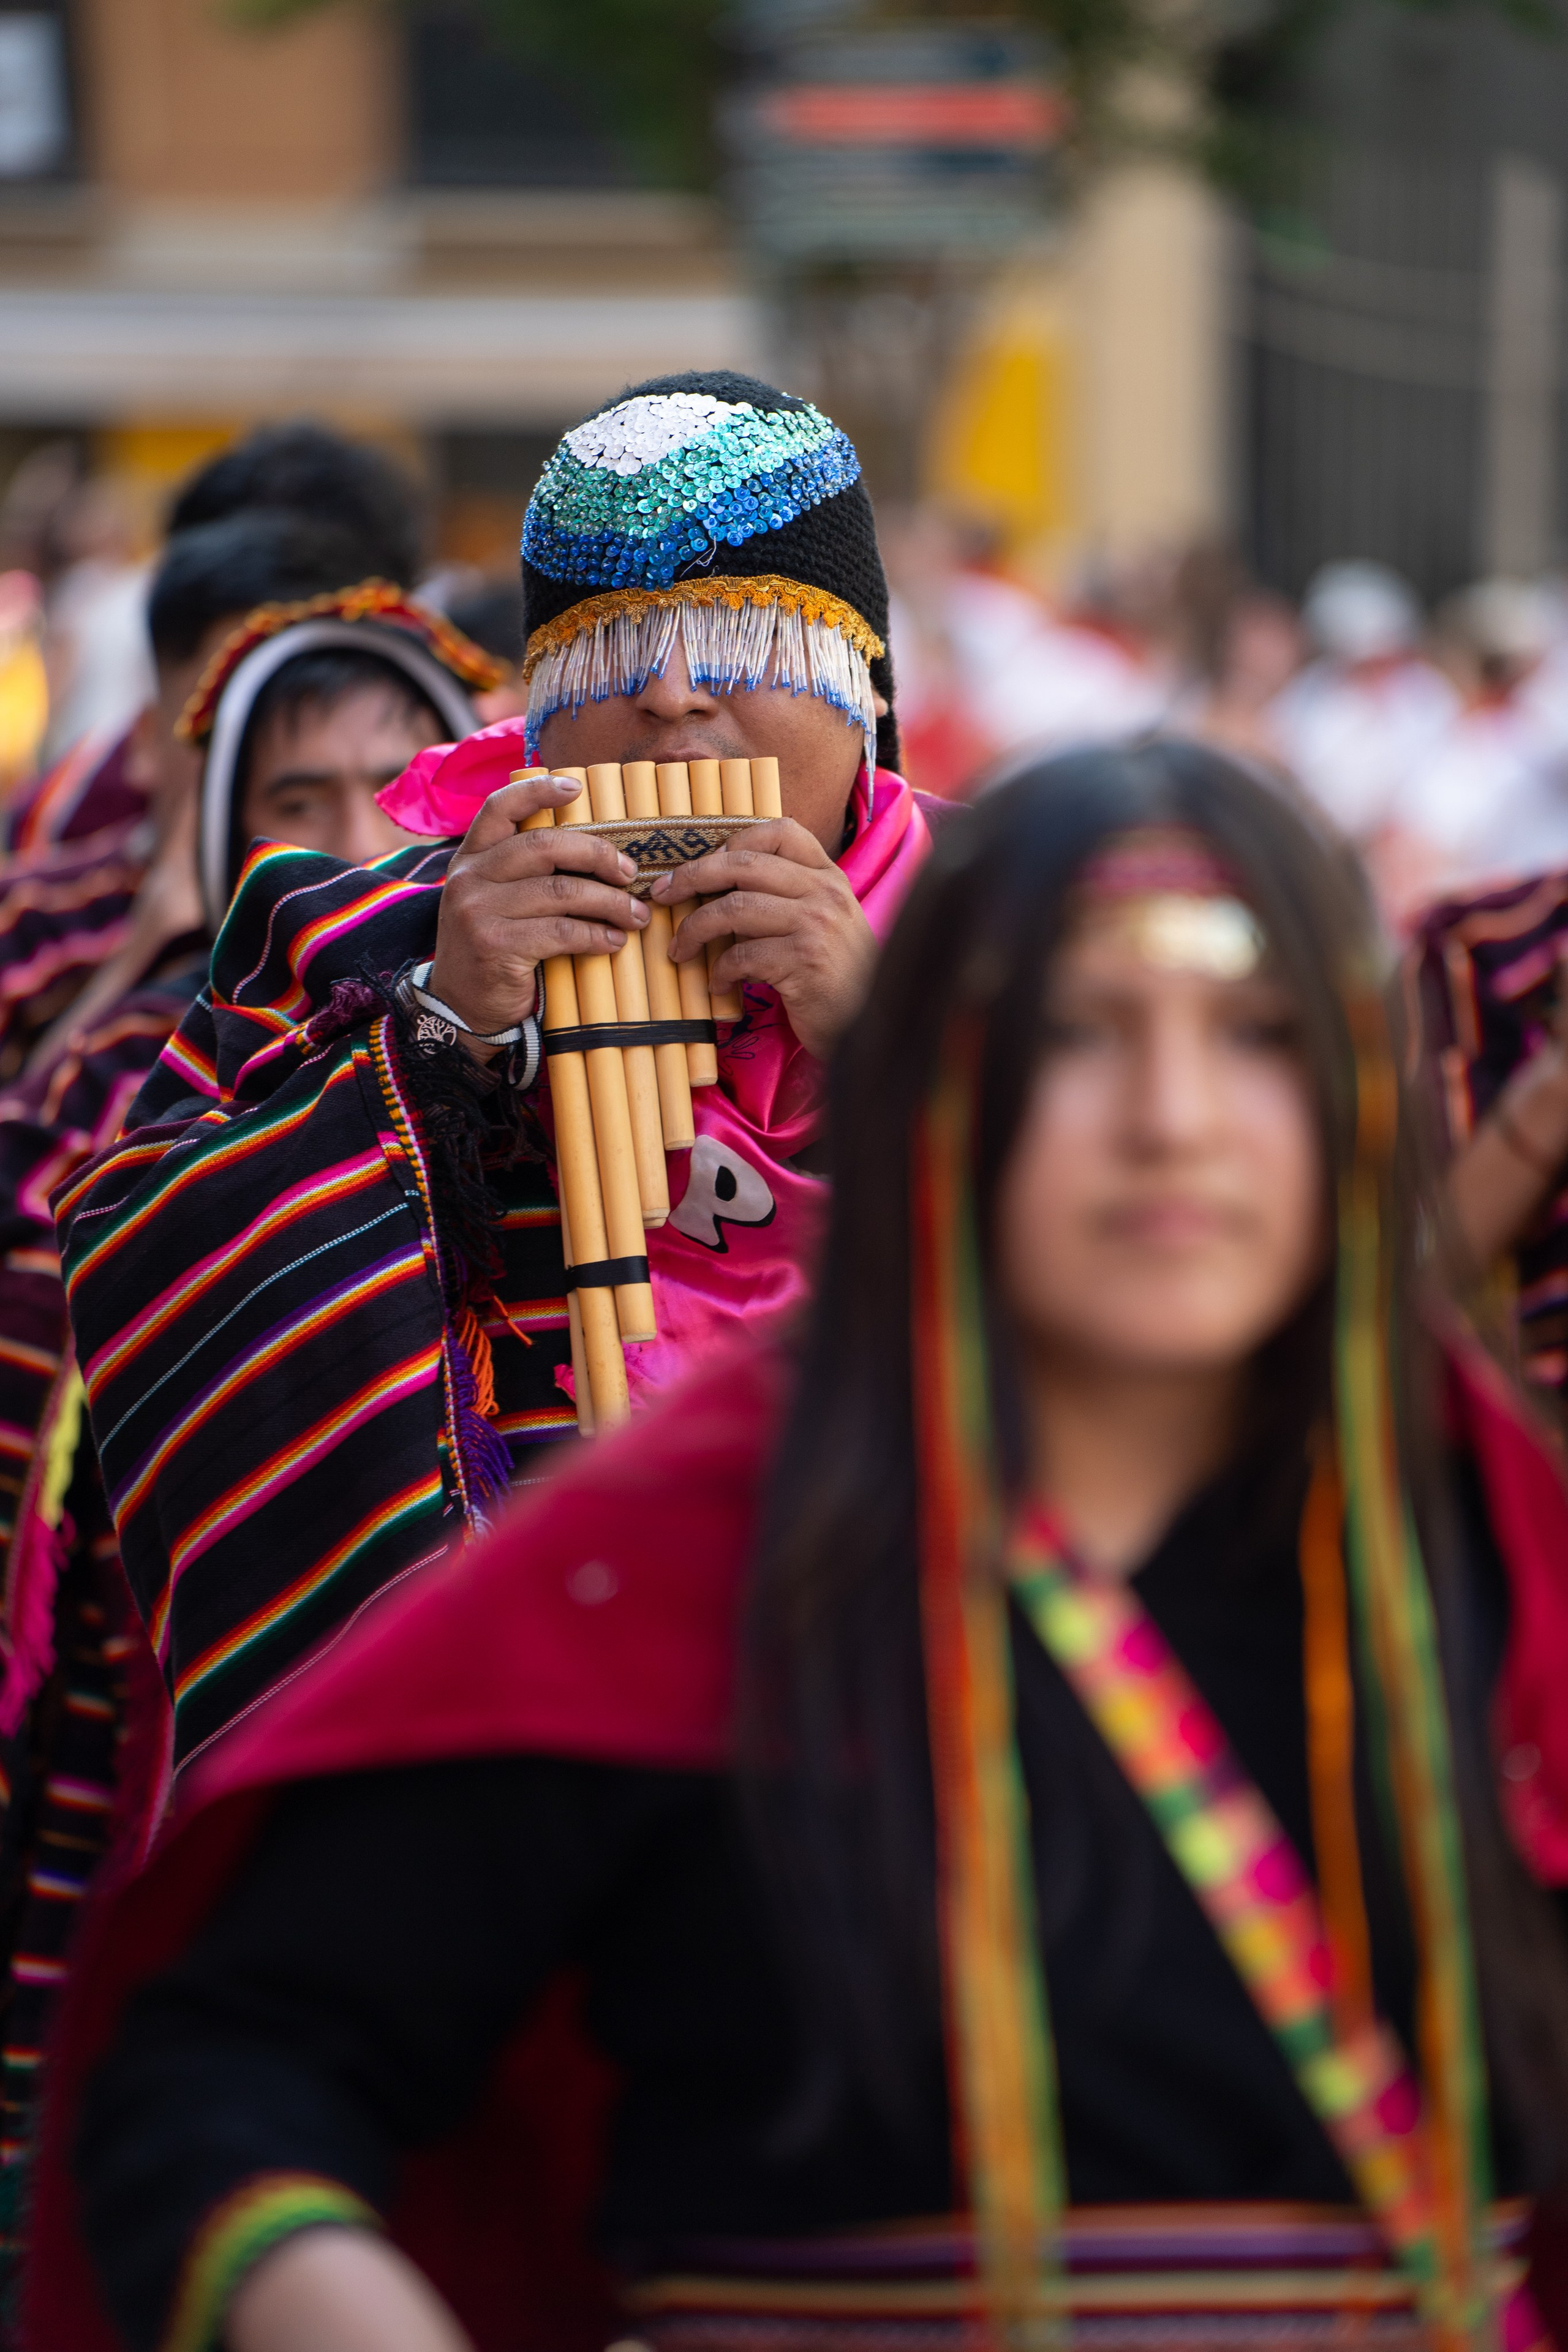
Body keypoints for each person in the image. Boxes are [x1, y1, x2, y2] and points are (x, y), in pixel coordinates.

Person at [33, 736, 1568, 2352]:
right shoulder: (679, 1562)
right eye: (1075, 1032)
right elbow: (215, 2072)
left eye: (1255, 1037)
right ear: (939, 1086)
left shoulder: (1495, 1550)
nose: (1172, 1120)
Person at [55, 369, 937, 1778]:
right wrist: (435, 1035)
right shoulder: (348, 938)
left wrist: (894, 1050)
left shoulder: (1010, 932)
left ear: (864, 683)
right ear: (535, 715)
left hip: (909, 1710)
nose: (670, 698)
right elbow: (136, 1265)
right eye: (608, 658)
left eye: (738, 640)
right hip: (500, 1738)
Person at [0, 585, 494, 2318]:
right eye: (296, 800)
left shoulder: (606, 1017)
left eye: (397, 783)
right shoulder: (160, 1077)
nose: (356, 835)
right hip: (212, 1727)